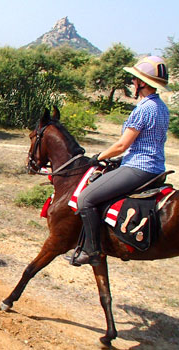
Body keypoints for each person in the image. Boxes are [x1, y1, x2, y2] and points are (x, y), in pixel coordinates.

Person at [73, 55, 170, 266]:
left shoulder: (143, 109)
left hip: (138, 167)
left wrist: (98, 157)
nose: (133, 82)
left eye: (135, 79)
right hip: (156, 168)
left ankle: (92, 250)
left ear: (142, 83)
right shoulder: (161, 107)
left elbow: (121, 145)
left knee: (85, 199)